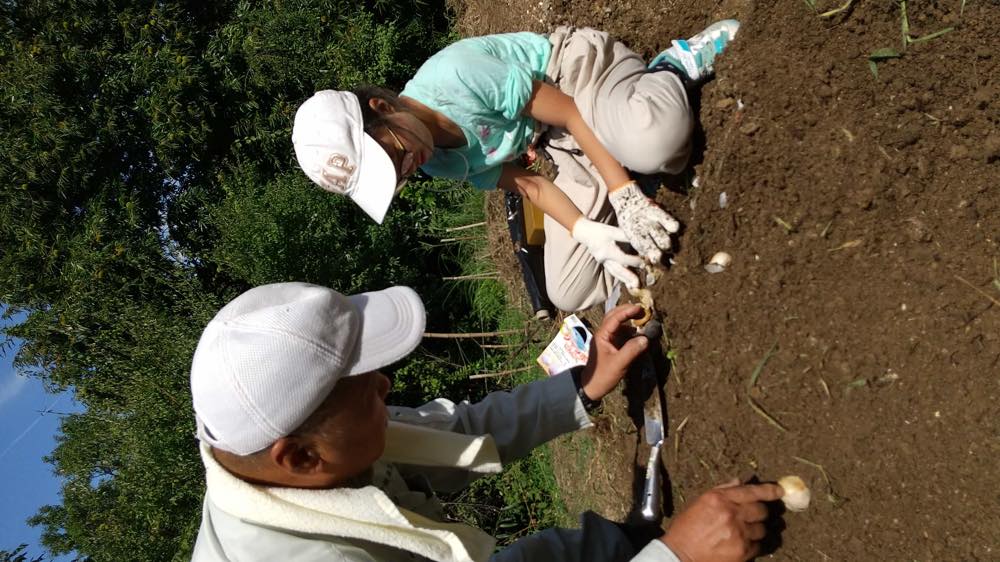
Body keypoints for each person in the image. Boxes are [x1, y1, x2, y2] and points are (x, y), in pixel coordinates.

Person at [189, 282, 784, 561]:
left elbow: (455, 435)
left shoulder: (300, 443)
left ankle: (628, 542)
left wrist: (582, 384)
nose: (385, 386)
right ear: (300, 458)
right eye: (366, 391)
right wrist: (677, 559)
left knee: (561, 554)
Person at [291, 22, 740, 312]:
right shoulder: (438, 162)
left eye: (395, 154)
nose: (408, 167)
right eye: (396, 177)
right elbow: (530, 186)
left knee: (657, 143)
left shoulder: (455, 77)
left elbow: (569, 112)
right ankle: (622, 173)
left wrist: (622, 194)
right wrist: (586, 232)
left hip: (574, 80)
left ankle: (671, 69)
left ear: (382, 108)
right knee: (567, 291)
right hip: (558, 142)